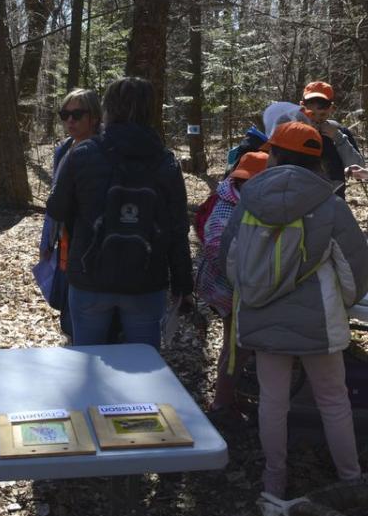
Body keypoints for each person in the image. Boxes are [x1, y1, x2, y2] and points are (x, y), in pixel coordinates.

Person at [220, 121, 368, 497]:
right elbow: (354, 271)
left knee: (272, 402)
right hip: (319, 320)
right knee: (334, 400)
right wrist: (342, 306)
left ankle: (274, 480)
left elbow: (231, 262)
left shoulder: (249, 198)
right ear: (317, 159)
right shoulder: (330, 205)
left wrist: (254, 294)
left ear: (276, 154)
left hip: (262, 315)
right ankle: (350, 479)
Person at [46, 77, 194, 350]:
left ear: (107, 110)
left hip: (89, 277)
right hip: (146, 281)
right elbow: (177, 228)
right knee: (142, 364)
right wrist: (183, 285)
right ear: (150, 111)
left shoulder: (83, 153)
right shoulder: (165, 161)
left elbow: (56, 208)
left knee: (88, 364)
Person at [196, 151, 268, 422]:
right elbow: (219, 251)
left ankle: (228, 397)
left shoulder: (241, 200)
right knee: (237, 346)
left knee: (236, 345)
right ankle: (222, 404)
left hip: (235, 287)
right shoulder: (228, 206)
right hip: (229, 289)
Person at [39, 89, 102, 337]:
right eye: (64, 115)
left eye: (77, 114)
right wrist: (47, 240)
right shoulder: (63, 150)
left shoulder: (104, 149)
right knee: (68, 318)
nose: (70, 121)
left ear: (94, 117)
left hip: (91, 248)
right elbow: (56, 198)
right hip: (65, 244)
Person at [300, 81, 364, 197]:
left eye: (322, 114)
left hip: (334, 203)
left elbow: (358, 168)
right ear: (301, 107)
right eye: (311, 114)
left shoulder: (340, 132)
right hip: (302, 203)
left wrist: (338, 138)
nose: (316, 119)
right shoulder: (293, 132)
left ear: (331, 108)